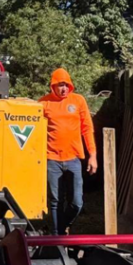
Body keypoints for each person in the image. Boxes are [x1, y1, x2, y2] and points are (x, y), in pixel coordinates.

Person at [39, 67, 97, 236]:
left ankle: (60, 228)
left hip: (73, 159)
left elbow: (87, 128)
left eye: (66, 85)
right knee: (56, 200)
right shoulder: (43, 103)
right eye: (59, 85)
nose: (63, 88)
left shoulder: (78, 101)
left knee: (76, 203)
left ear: (70, 85)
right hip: (52, 159)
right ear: (53, 86)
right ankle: (58, 238)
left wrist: (92, 155)